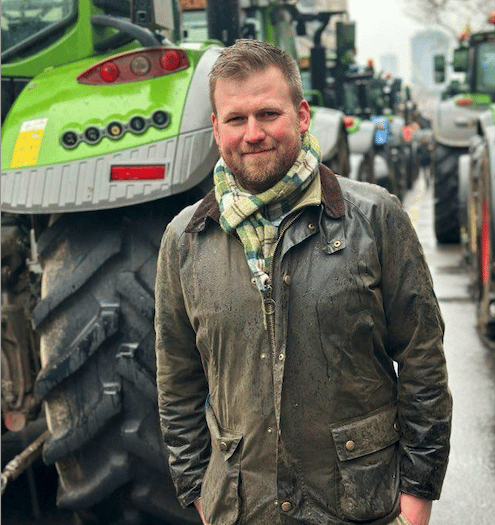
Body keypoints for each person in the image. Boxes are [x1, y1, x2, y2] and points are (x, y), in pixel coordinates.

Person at [155, 39, 452, 525]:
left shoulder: (375, 218)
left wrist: (418, 494)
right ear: (215, 128)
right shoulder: (185, 240)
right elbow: (176, 382)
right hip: (242, 509)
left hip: (361, 507)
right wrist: (198, 492)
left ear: (302, 115)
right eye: (235, 119)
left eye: (268, 114)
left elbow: (422, 361)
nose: (252, 133)